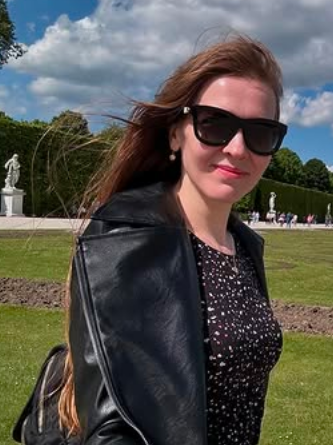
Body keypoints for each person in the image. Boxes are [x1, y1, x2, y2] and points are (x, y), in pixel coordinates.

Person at [24, 35, 288, 445]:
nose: (238, 148)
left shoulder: (243, 245)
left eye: (261, 132)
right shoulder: (128, 237)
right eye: (215, 124)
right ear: (175, 134)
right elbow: (113, 425)